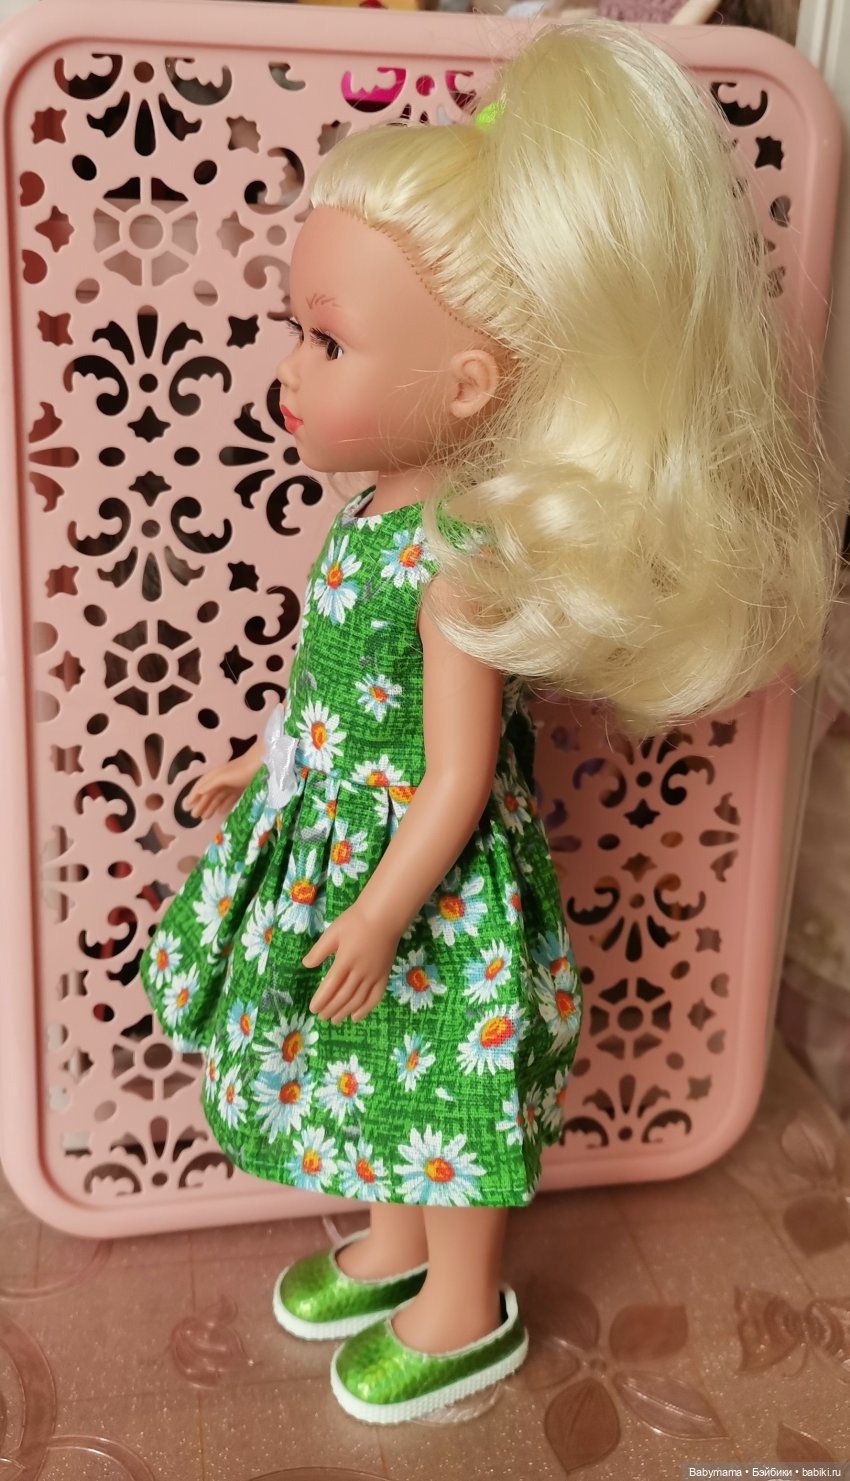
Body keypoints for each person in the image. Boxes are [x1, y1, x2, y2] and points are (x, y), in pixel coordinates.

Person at [138, 21, 837, 1425]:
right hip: (346, 842)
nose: (287, 368)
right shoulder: (367, 521)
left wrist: (383, 913)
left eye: (326, 339)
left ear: (466, 387)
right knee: (367, 1076)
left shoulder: (456, 560)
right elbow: (333, 694)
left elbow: (458, 777)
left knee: (445, 1095)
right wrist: (259, 767)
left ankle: (462, 1307)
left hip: (432, 886)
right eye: (295, 329)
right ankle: (392, 1247)